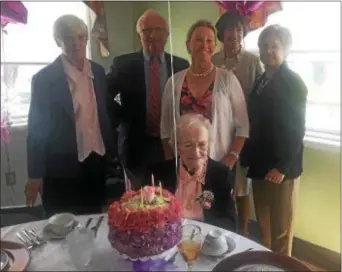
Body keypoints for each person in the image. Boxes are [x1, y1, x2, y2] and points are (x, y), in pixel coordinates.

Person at [25, 15, 115, 217]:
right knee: (61, 227)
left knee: (92, 222)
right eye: (68, 37)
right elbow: (36, 131)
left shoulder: (98, 72)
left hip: (96, 162)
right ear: (58, 41)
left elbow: (105, 112)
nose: (76, 43)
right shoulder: (44, 79)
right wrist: (35, 175)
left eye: (81, 37)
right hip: (61, 168)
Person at [240, 25, 308, 256]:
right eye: (264, 46)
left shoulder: (293, 83)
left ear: (286, 50)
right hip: (260, 165)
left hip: (282, 170)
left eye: (275, 46)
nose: (269, 51)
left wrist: (281, 167)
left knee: (281, 231)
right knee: (263, 226)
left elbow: (297, 130)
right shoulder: (260, 81)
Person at [106, 9, 189, 189]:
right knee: (138, 201)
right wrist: (123, 117)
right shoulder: (123, 64)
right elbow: (103, 95)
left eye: (158, 29)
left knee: (169, 197)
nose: (152, 35)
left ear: (167, 35)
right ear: (139, 35)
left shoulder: (181, 65)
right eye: (146, 30)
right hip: (135, 145)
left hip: (169, 145)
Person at [160, 20, 249, 187]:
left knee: (214, 210)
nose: (205, 45)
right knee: (184, 210)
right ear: (188, 45)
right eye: (199, 40)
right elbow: (165, 129)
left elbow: (242, 127)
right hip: (182, 168)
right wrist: (172, 161)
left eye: (209, 40)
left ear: (215, 46)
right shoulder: (174, 82)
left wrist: (230, 160)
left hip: (217, 164)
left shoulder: (227, 79)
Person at [212, 11, 264, 236]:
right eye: (230, 31)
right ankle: (219, 226)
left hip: (243, 133)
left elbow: (261, 97)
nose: (234, 35)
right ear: (221, 36)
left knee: (242, 187)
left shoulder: (253, 61)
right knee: (219, 180)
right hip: (218, 131)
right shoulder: (213, 60)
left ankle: (242, 231)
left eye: (239, 31)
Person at [146, 113, 236, 230]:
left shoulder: (221, 175)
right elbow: (147, 216)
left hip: (206, 242)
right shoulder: (159, 173)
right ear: (177, 146)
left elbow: (229, 222)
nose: (196, 152)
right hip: (168, 241)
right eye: (188, 145)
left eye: (202, 144)